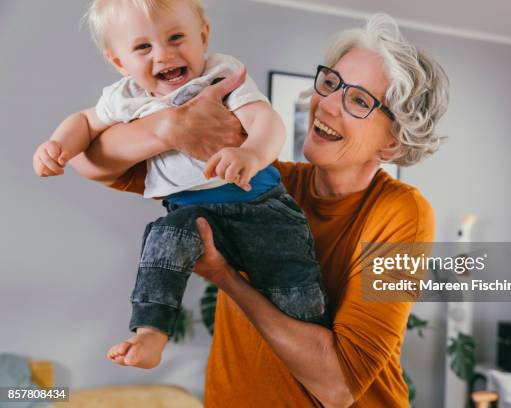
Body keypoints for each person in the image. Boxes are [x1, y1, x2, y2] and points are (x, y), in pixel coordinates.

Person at [72, 13, 449, 408]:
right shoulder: (260, 181)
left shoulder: (400, 211)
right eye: (332, 83)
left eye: (358, 100)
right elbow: (87, 161)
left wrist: (227, 278)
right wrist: (167, 128)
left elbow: (338, 386)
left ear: (393, 143)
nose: (327, 106)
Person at [32, 0, 329, 370]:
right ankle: (151, 333)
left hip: (260, 207)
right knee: (162, 244)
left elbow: (265, 120)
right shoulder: (127, 98)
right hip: (190, 213)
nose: (164, 54)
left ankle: (312, 341)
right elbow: (84, 123)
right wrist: (58, 144)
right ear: (119, 62)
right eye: (143, 47)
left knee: (293, 285)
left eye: (176, 38)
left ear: (203, 36)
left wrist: (251, 154)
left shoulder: (221, 74)